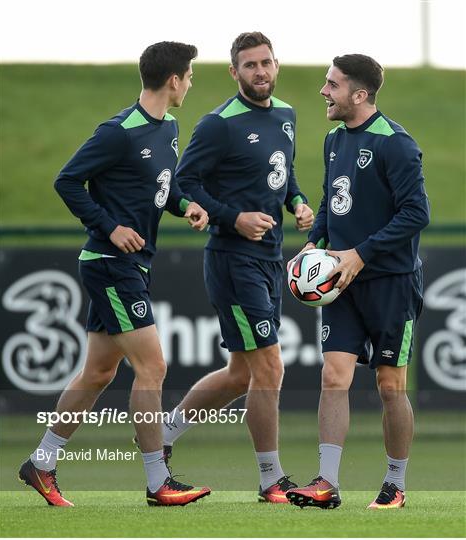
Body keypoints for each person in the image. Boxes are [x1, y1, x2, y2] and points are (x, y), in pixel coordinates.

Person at [18, 41, 211, 507]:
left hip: (130, 266)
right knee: (153, 366)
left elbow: (163, 187)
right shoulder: (118, 131)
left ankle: (41, 464)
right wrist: (109, 226)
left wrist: (186, 205)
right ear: (173, 79)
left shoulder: (168, 128)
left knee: (99, 372)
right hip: (110, 264)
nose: (190, 82)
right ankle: (157, 481)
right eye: (189, 75)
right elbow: (67, 180)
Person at [157, 31, 314, 503]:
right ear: (234, 72)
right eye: (249, 65)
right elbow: (180, 185)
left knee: (241, 375)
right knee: (270, 368)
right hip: (232, 260)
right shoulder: (218, 124)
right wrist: (233, 217)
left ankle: (162, 435)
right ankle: (271, 479)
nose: (260, 71)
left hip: (271, 260)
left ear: (276, 65)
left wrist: (300, 203)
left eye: (266, 62)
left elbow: (282, 175)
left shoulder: (286, 115)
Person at [285, 54, 430, 509]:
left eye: (332, 84)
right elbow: (331, 202)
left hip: (390, 281)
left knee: (390, 385)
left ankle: (395, 484)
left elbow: (416, 213)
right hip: (340, 283)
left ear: (360, 94)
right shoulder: (332, 141)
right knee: (334, 376)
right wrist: (316, 242)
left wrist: (359, 253)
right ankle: (326, 483)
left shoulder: (396, 143)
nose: (324, 92)